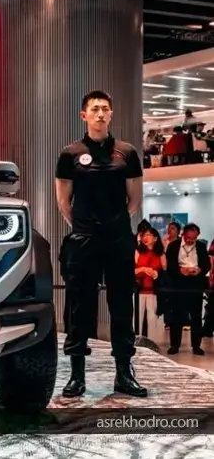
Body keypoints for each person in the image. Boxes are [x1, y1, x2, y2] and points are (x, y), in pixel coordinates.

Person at [55, 90, 147, 398]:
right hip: (83, 240)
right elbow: (63, 202)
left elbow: (134, 200)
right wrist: (84, 226)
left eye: (105, 109)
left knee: (121, 306)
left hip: (118, 239)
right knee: (79, 307)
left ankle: (124, 374)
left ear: (111, 114)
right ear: (84, 115)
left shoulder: (127, 152)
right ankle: (76, 376)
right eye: (94, 109)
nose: (100, 113)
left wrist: (114, 224)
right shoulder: (70, 153)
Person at [165, 223, 211, 355]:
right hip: (178, 283)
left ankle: (196, 346)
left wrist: (200, 270)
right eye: (188, 238)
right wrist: (180, 270)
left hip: (195, 284)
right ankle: (175, 345)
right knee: (177, 315)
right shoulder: (173, 246)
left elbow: (206, 265)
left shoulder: (201, 246)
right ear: (183, 234)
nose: (191, 240)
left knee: (196, 315)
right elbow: (169, 265)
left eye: (194, 238)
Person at [134, 227, 167, 339]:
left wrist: (156, 273)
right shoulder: (138, 251)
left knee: (152, 318)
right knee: (137, 317)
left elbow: (164, 272)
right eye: (144, 235)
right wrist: (143, 269)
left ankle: (152, 342)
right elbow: (131, 270)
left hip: (154, 290)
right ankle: (136, 341)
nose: (145, 237)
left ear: (155, 238)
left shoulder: (160, 253)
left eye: (148, 235)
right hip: (139, 290)